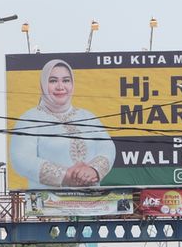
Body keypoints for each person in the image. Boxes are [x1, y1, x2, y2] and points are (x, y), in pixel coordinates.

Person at [9, 59, 116, 189]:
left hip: (92, 204)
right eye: (53, 81)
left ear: (72, 84)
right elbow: (21, 159)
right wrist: (65, 175)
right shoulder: (29, 119)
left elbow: (107, 148)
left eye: (66, 80)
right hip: (48, 205)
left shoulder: (88, 117)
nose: (60, 87)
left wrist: (93, 170)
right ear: (43, 84)